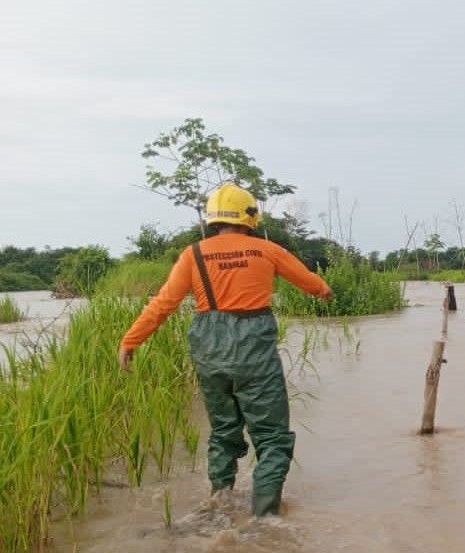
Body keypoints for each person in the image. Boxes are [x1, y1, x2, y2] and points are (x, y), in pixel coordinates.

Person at [118, 183, 335, 516]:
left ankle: (219, 504)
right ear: (250, 217)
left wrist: (131, 340)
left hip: (210, 348)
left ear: (213, 218)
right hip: (254, 350)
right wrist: (323, 291)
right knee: (272, 436)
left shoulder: (193, 255)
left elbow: (164, 303)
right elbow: (307, 280)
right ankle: (264, 520)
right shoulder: (266, 250)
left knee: (223, 431)